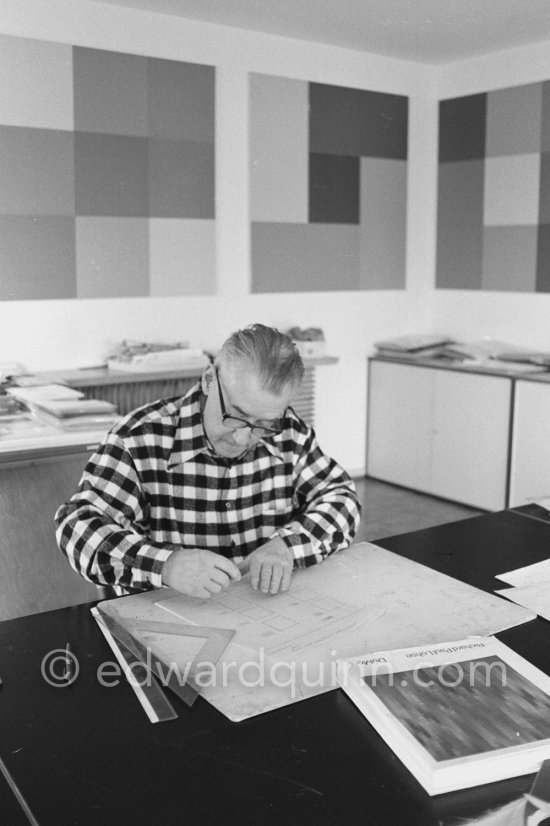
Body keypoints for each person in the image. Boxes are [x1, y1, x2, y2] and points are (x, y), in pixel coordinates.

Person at [55, 324, 360, 598]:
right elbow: (77, 527)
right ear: (207, 381)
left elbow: (340, 497)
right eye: (235, 416)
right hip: (165, 617)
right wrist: (166, 565)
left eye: (264, 424)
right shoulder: (138, 439)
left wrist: (289, 546)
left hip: (260, 614)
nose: (242, 438)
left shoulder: (288, 432)